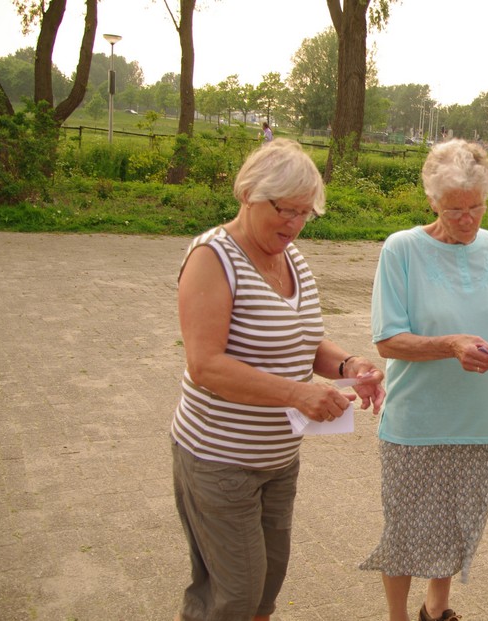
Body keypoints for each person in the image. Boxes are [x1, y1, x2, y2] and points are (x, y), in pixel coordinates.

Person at [171, 137, 385, 621]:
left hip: (278, 460)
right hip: (220, 459)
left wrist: (350, 366)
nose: (294, 224)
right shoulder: (212, 257)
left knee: (265, 588)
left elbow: (303, 340)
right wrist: (297, 394)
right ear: (249, 194)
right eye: (285, 210)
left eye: (305, 213)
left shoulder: (293, 259)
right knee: (233, 597)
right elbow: (205, 365)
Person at [360, 139, 488, 621]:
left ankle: (436, 610)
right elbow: (387, 341)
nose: (467, 219)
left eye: (476, 207)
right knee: (404, 533)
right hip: (417, 421)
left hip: (480, 420)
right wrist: (450, 345)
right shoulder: (402, 249)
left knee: (460, 524)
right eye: (454, 209)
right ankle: (397, 617)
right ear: (431, 201)